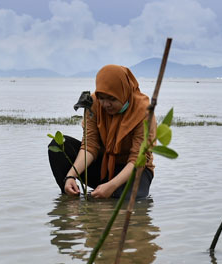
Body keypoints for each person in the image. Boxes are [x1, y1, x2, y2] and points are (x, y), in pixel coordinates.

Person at [49, 65, 155, 199]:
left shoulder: (143, 111)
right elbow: (90, 145)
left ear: (124, 93)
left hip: (134, 169)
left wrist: (111, 186)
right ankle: (71, 195)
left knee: (128, 200)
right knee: (59, 145)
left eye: (112, 99)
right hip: (104, 165)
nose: (106, 104)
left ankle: (111, 193)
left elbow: (137, 159)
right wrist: (71, 176)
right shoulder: (93, 103)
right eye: (102, 98)